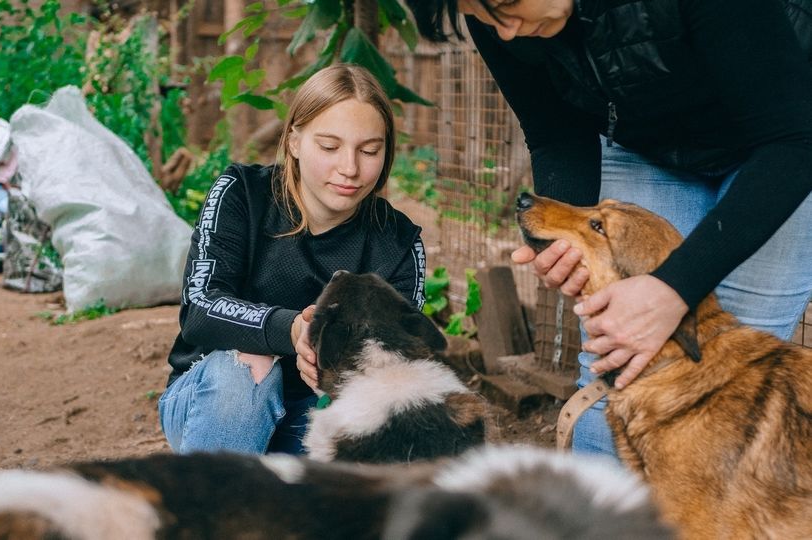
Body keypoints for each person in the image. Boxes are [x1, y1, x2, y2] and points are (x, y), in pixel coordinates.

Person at [405, 0, 812, 457]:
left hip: (787, 144)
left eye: (507, 4)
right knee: (616, 358)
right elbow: (556, 133)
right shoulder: (494, 14)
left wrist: (673, 288)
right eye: (480, 15)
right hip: (647, 144)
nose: (505, 30)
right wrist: (564, 238)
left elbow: (792, 143)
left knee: (730, 370)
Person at [159, 64, 427, 455]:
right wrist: (292, 331)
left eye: (369, 150)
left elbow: (403, 356)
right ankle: (212, 509)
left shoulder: (398, 242)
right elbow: (201, 308)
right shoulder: (243, 194)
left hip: (315, 416)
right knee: (250, 367)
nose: (350, 168)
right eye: (330, 147)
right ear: (294, 141)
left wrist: (338, 361)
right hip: (213, 402)